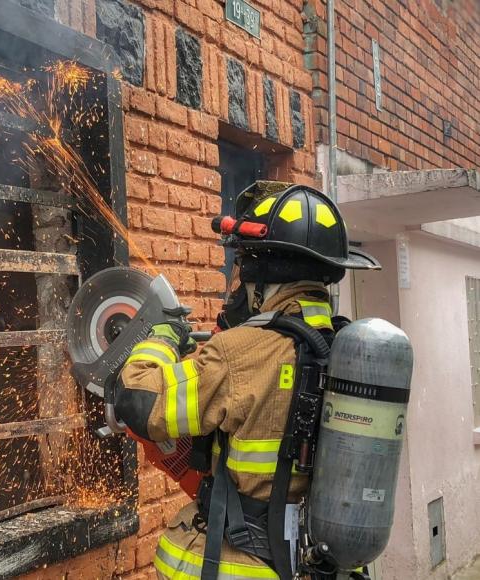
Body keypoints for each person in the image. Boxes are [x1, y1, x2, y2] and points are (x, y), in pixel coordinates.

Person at [114, 182, 380, 580]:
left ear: (261, 271)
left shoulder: (239, 353)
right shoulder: (348, 350)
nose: (238, 284)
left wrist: (160, 338)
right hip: (323, 562)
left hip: (248, 563)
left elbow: (137, 402)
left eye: (241, 270)